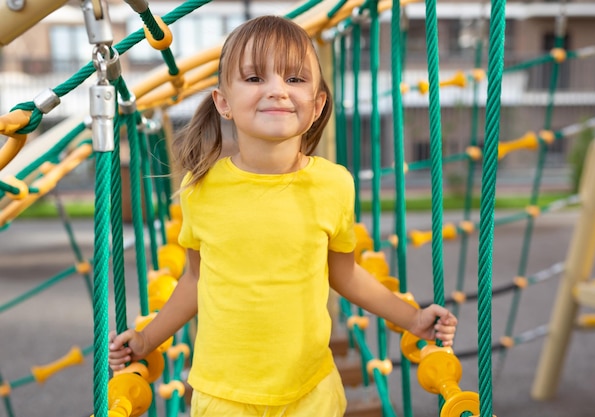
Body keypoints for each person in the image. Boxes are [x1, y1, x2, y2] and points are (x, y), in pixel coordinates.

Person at [109, 15, 457, 417]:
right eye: (255, 78)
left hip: (310, 389)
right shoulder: (201, 188)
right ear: (223, 102)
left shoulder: (333, 185)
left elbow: (345, 274)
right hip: (223, 394)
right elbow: (195, 279)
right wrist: (147, 338)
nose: (277, 90)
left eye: (295, 79)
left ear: (318, 104)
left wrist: (413, 318)